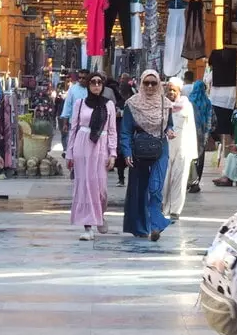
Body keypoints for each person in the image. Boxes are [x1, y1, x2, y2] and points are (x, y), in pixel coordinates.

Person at [121, 70, 174, 241]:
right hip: (139, 150)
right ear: (141, 84)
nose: (150, 86)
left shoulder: (166, 104)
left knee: (156, 187)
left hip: (160, 148)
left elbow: (169, 125)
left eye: (153, 83)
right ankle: (142, 227)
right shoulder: (132, 104)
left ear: (158, 84)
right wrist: (127, 152)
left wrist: (170, 130)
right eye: (146, 83)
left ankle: (156, 225)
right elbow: (126, 131)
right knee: (139, 188)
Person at [66, 73, 118, 241]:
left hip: (100, 146)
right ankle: (88, 226)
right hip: (82, 145)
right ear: (88, 85)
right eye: (93, 82)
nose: (96, 85)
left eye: (99, 82)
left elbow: (112, 131)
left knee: (100, 188)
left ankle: (99, 214)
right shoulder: (79, 104)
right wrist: (70, 152)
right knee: (84, 186)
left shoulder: (108, 105)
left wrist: (113, 153)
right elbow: (73, 128)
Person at [162, 77, 197, 220]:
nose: (171, 92)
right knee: (165, 177)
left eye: (173, 90)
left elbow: (191, 128)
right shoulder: (163, 104)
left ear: (179, 91)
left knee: (180, 178)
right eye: (169, 89)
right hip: (166, 145)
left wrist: (192, 151)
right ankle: (163, 207)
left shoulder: (186, 105)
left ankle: (175, 210)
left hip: (183, 146)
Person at [187, 79, 214, 194]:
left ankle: (188, 181)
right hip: (202, 135)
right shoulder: (207, 103)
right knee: (199, 159)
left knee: (189, 158)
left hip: (189, 134)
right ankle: (196, 183)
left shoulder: (188, 101)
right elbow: (212, 121)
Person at [111, 74, 135, 186]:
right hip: (122, 130)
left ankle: (123, 179)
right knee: (121, 155)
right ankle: (122, 178)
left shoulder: (133, 102)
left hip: (127, 130)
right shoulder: (121, 102)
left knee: (126, 155)